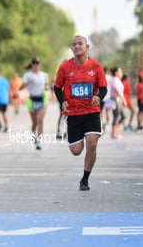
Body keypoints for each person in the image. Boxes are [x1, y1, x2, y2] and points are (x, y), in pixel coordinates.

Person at [54, 35, 108, 191]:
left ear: (87, 47)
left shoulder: (96, 67)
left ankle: (85, 179)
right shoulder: (64, 68)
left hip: (91, 112)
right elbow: (57, 88)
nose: (77, 46)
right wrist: (62, 101)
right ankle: (76, 137)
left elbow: (103, 88)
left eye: (80, 44)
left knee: (92, 143)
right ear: (72, 48)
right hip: (74, 114)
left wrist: (98, 96)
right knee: (76, 151)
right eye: (74, 44)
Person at [20, 57, 49, 150]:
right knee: (35, 122)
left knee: (40, 120)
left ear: (40, 64)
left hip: (42, 99)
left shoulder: (44, 75)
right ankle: (33, 135)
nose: (36, 64)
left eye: (37, 62)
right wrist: (28, 82)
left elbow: (46, 85)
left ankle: (39, 141)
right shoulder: (27, 75)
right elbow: (20, 87)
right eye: (34, 62)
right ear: (31, 64)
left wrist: (47, 87)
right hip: (32, 100)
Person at [109, 67, 127, 139]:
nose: (121, 73)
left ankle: (116, 131)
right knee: (116, 117)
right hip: (115, 100)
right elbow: (116, 90)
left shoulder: (117, 80)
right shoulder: (115, 79)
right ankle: (114, 134)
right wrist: (123, 99)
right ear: (116, 73)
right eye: (120, 72)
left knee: (124, 116)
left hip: (118, 100)